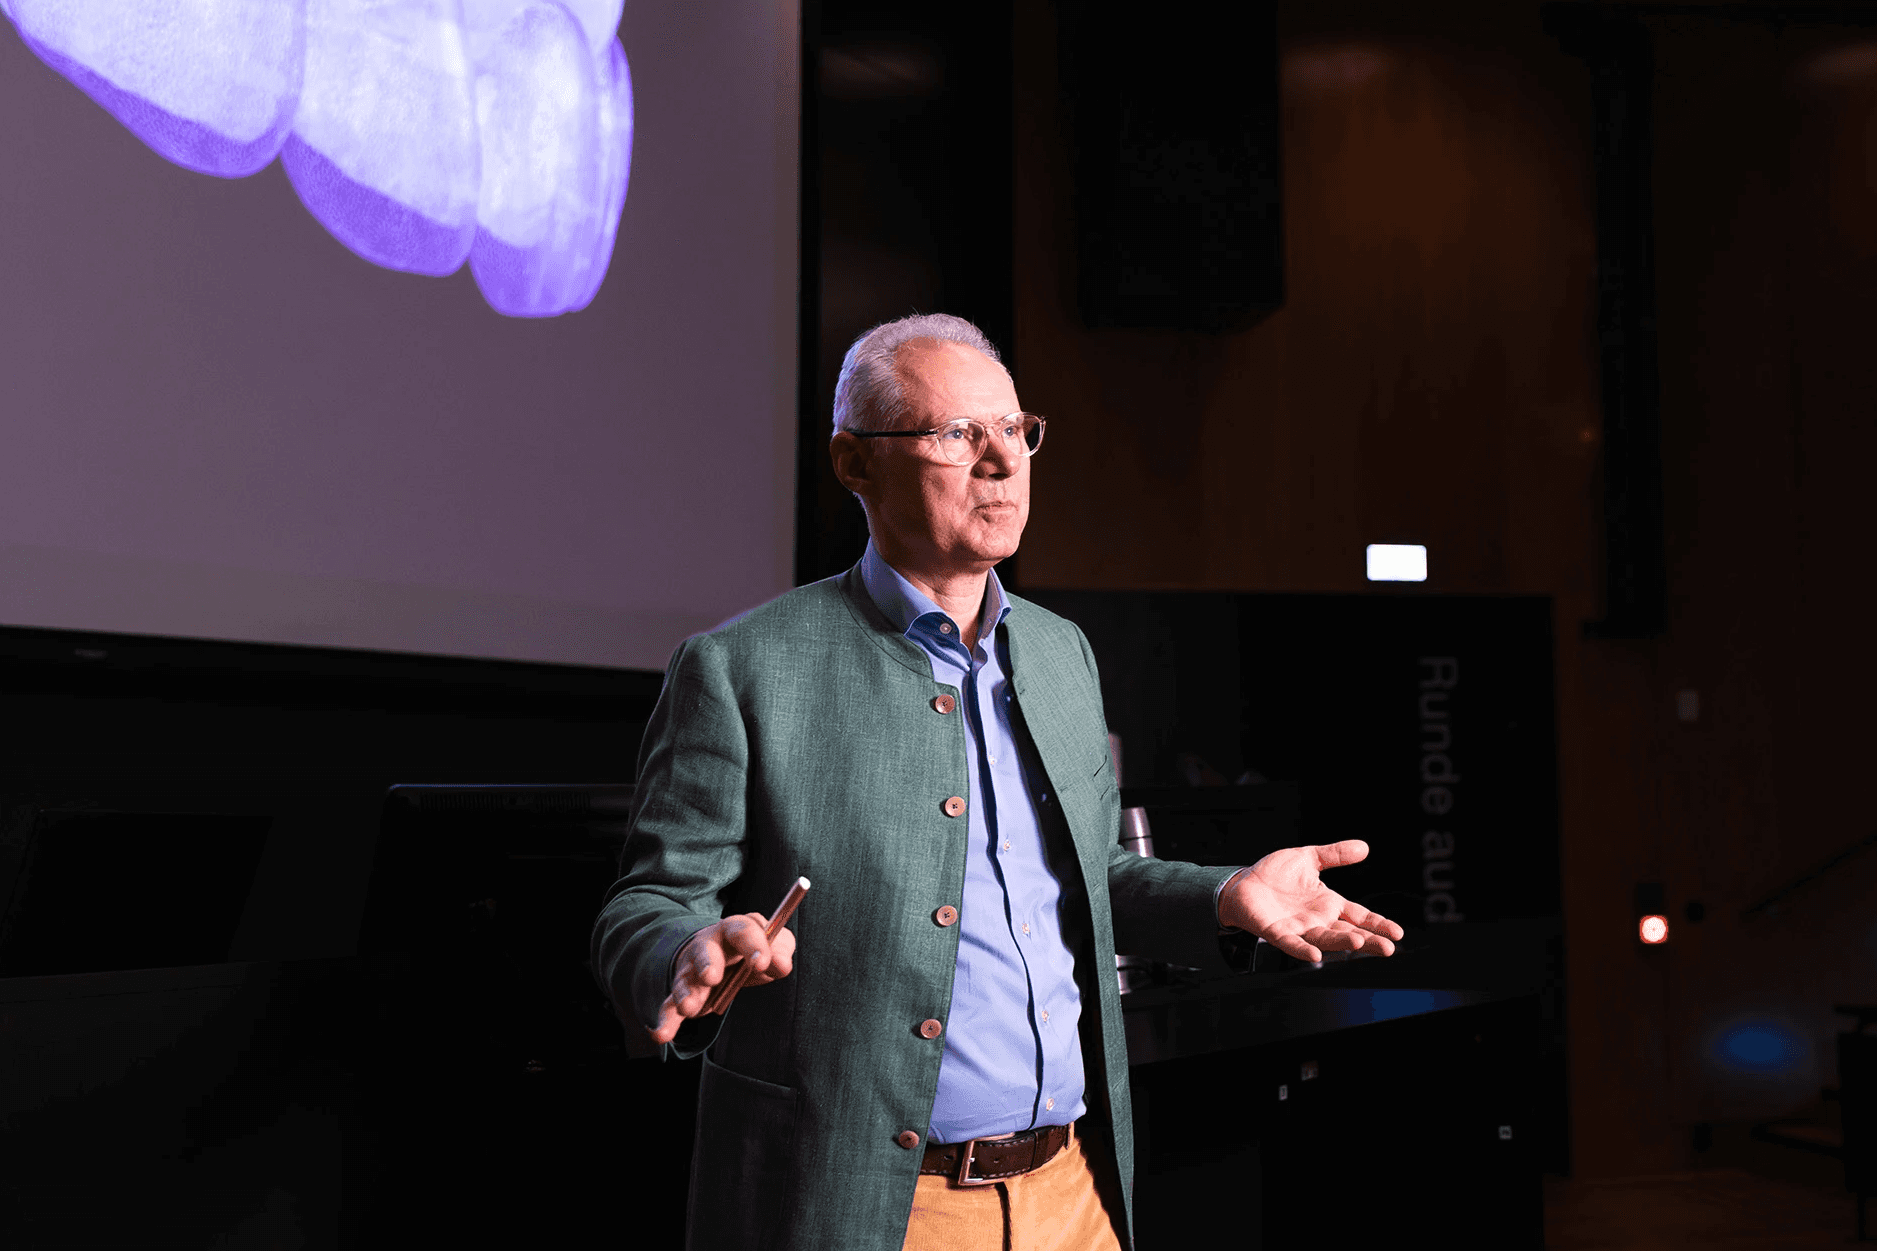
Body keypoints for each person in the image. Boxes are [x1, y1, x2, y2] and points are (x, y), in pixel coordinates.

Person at [590, 314, 1403, 1250]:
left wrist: (1226, 894)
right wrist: (686, 946)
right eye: (955, 434)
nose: (1001, 461)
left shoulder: (1060, 654)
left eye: (1015, 430)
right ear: (855, 464)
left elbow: (1089, 880)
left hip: (1073, 1194)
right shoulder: (741, 667)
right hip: (869, 1207)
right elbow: (647, 899)